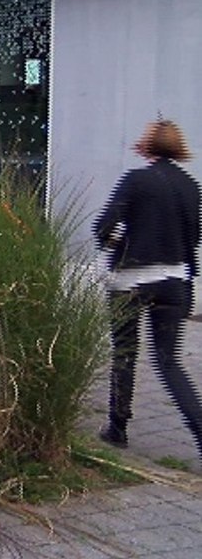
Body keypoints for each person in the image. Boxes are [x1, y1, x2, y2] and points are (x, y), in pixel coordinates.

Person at [94, 119, 202, 456]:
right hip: (175, 284)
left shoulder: (136, 180)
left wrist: (120, 243)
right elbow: (193, 238)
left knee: (125, 352)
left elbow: (103, 226)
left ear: (147, 146)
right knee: (169, 362)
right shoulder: (190, 186)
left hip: (130, 282)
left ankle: (117, 427)